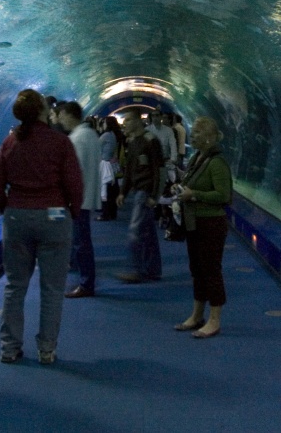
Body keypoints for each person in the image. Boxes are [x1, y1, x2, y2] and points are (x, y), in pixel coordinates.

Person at [0, 90, 83, 365]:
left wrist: (6, 207)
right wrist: (72, 212)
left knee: (14, 286)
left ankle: (9, 347)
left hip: (17, 216)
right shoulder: (60, 142)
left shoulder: (10, 142)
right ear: (43, 111)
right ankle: (46, 349)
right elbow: (74, 183)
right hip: (53, 217)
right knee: (52, 288)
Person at [173, 117, 232, 339]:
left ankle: (214, 319)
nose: (192, 135)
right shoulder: (197, 157)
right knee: (197, 270)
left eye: (197, 133)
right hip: (194, 222)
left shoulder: (217, 162)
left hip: (211, 224)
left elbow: (224, 196)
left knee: (211, 271)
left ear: (208, 137)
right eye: (193, 131)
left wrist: (194, 194)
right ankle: (197, 314)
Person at [55, 101, 100, 299]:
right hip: (85, 197)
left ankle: (86, 284)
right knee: (81, 241)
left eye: (61, 115)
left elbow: (74, 172)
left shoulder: (77, 139)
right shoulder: (90, 134)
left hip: (77, 200)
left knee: (81, 243)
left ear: (68, 114)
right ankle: (85, 280)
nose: (59, 119)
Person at [115, 113, 164, 283]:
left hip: (145, 192)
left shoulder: (151, 141)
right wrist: (123, 192)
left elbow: (159, 170)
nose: (125, 123)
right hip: (137, 191)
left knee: (135, 232)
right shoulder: (133, 142)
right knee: (148, 233)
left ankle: (135, 270)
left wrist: (155, 195)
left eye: (128, 120)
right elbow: (129, 170)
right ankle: (153, 270)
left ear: (137, 121)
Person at [97, 115, 124, 221]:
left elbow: (97, 147)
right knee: (113, 190)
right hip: (114, 165)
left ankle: (105, 213)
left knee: (105, 190)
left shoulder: (106, 135)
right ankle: (113, 212)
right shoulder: (115, 135)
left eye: (103, 122)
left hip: (106, 165)